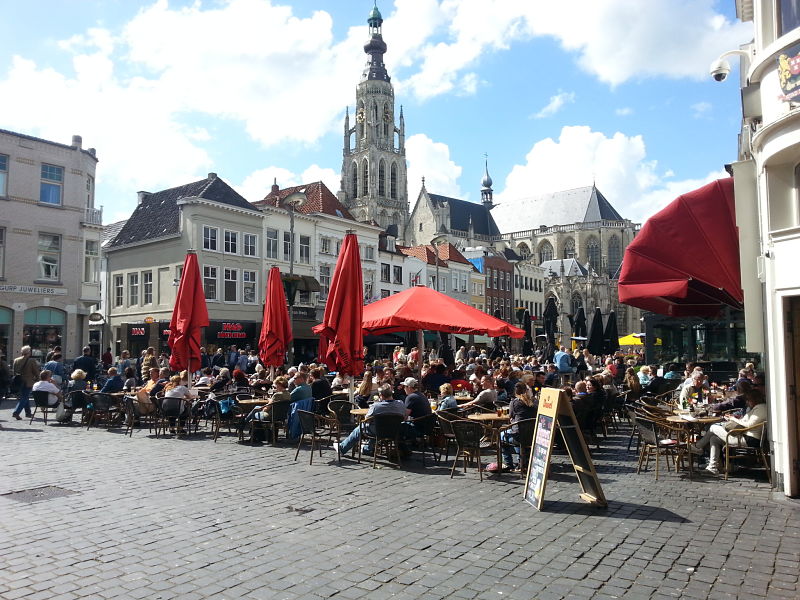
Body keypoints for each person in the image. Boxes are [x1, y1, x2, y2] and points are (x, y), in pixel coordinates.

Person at [690, 389, 768, 474]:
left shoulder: (760, 409)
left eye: (748, 400)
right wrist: (733, 418)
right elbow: (746, 421)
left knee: (713, 427)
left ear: (754, 399)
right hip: (744, 436)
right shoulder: (757, 408)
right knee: (714, 438)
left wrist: (733, 419)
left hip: (749, 439)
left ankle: (698, 447)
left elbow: (749, 425)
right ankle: (713, 467)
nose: (747, 402)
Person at [333, 385, 408, 457]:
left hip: (378, 431)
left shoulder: (376, 406)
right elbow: (404, 417)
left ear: (381, 395)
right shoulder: (400, 404)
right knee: (375, 425)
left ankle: (342, 448)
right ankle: (366, 449)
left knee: (362, 427)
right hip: (395, 430)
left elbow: (367, 419)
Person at [501, 382, 538, 471]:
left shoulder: (514, 402)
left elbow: (510, 416)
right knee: (518, 432)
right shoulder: (535, 402)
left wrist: (513, 420)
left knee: (501, 435)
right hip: (533, 435)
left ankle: (508, 463)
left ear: (515, 391)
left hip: (519, 436)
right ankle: (523, 462)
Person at [12, 345, 40, 420]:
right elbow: (36, 372)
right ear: (29, 352)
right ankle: (16, 412)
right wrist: (38, 379)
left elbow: (14, 372)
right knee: (24, 397)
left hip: (19, 381)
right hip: (28, 381)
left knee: (25, 396)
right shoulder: (31, 360)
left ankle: (28, 413)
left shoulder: (16, 360)